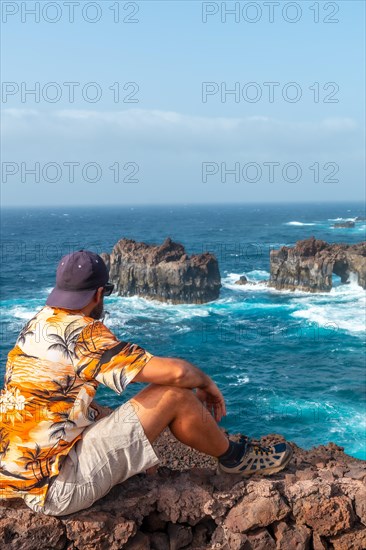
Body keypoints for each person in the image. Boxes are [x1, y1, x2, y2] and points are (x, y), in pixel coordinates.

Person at [0, 250, 292, 517]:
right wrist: (206, 382)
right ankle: (234, 458)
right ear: (99, 294)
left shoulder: (37, 324)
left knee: (106, 412)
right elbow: (177, 374)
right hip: (57, 488)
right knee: (173, 395)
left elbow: (59, 404)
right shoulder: (84, 334)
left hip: (17, 476)